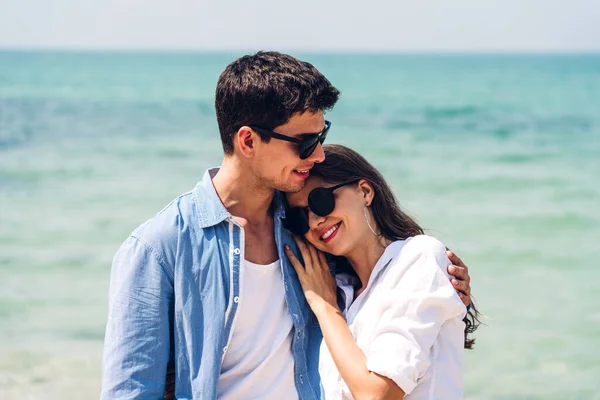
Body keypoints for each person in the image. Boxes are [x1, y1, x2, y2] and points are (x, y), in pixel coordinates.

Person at [101, 51, 473, 399]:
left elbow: (387, 299)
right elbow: (131, 389)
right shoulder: (159, 247)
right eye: (305, 142)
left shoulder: (309, 231)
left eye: (321, 136)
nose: (319, 154)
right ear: (248, 140)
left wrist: (446, 290)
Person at [284, 144, 481, 399]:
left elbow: (376, 395)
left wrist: (325, 307)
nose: (314, 222)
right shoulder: (340, 291)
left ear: (365, 192)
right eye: (300, 217)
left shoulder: (419, 257)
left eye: (320, 201)